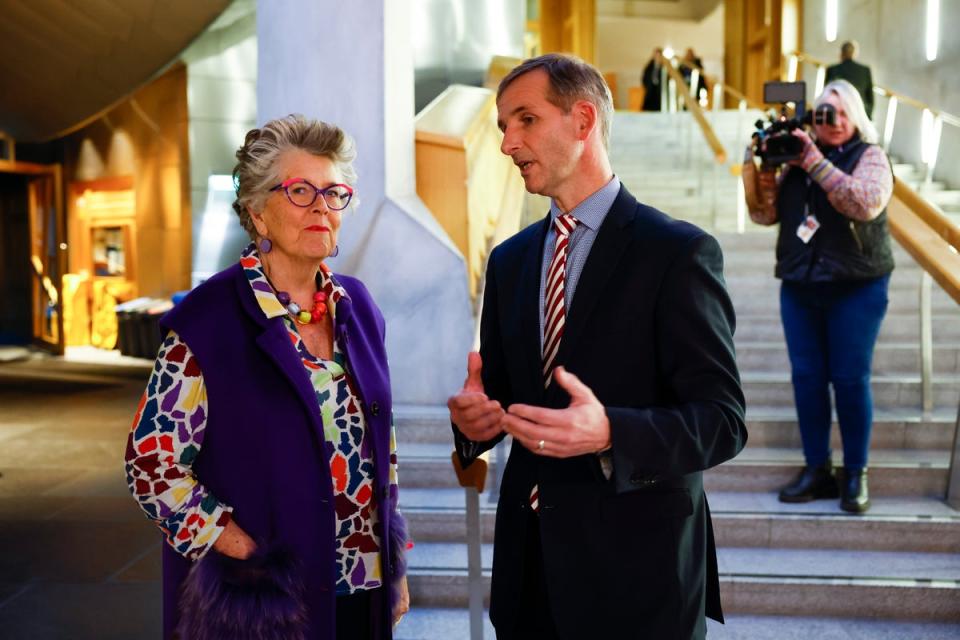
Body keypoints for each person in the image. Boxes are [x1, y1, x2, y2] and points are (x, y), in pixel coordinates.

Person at [448, 53, 747, 639]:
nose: (508, 143)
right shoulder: (508, 262)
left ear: (582, 121)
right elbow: (506, 399)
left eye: (525, 120)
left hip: (638, 580)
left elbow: (722, 421)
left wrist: (612, 431)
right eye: (503, 126)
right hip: (529, 576)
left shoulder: (677, 253)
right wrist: (477, 423)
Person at [124, 114, 409, 639]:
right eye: (300, 191)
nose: (322, 205)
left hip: (359, 589)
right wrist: (248, 555)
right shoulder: (208, 321)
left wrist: (393, 562)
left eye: (334, 192)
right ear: (257, 212)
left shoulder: (358, 307)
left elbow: (380, 446)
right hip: (262, 605)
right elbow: (151, 467)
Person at [743, 79, 894, 514]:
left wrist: (812, 160)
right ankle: (817, 469)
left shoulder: (870, 157)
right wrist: (760, 168)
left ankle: (855, 473)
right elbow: (764, 212)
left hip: (856, 285)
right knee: (807, 379)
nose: (834, 120)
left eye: (842, 112)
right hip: (800, 284)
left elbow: (863, 202)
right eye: (826, 112)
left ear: (856, 117)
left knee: (849, 379)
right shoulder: (795, 158)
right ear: (813, 116)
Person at [826, 41, 874, 119]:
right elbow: (870, 98)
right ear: (855, 53)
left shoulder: (832, 70)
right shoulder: (865, 70)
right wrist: (867, 117)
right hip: (859, 115)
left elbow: (826, 96)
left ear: (841, 52)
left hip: (837, 116)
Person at [641, 47, 664, 111]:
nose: (657, 57)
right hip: (650, 90)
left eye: (659, 55)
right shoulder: (649, 66)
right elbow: (644, 78)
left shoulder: (664, 67)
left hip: (659, 91)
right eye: (656, 55)